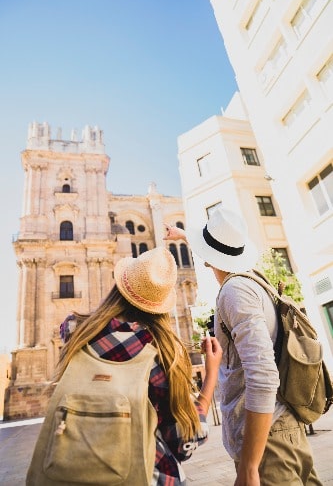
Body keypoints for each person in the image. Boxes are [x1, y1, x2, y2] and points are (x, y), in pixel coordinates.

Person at [164, 207, 322, 486]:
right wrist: (183, 235)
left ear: (207, 259)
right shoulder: (255, 280)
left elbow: (263, 374)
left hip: (267, 442)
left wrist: (250, 466)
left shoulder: (235, 292)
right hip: (283, 428)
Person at [57, 246, 222, 486]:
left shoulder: (73, 330)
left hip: (79, 469)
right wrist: (211, 373)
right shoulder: (157, 354)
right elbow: (184, 441)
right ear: (160, 306)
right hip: (147, 475)